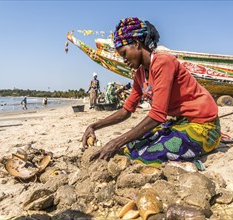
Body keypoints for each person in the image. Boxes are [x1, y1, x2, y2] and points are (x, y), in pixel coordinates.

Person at [82, 17, 221, 166]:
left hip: (203, 126)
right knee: (133, 146)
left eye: (124, 53)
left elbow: (157, 115)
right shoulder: (140, 74)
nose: (124, 60)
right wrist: (94, 126)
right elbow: (126, 110)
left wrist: (116, 142)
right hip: (181, 122)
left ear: (136, 43)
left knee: (144, 155)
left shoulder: (163, 62)